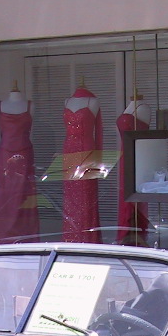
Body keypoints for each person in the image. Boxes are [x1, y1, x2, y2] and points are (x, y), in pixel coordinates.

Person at [0, 82, 40, 243]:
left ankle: (27, 237)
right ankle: (5, 238)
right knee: (6, 196)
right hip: (5, 157)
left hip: (24, 156)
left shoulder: (29, 106)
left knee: (24, 195)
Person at [62, 82, 103, 242]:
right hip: (69, 151)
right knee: (71, 198)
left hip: (86, 151)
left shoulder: (92, 102)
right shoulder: (67, 101)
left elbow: (98, 132)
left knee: (86, 196)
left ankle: (86, 237)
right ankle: (70, 237)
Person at [116, 95, 151, 245]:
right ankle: (127, 235)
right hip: (125, 155)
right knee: (126, 193)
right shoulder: (132, 106)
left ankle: (136, 234)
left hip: (138, 155)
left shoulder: (143, 108)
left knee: (135, 194)